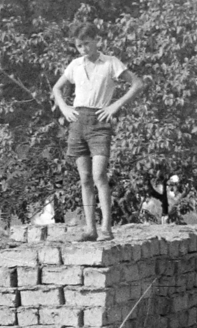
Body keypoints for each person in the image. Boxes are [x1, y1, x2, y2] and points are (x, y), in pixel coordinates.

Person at [50, 22, 146, 241]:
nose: (83, 49)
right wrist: (64, 107)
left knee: (99, 175)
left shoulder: (110, 63)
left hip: (100, 122)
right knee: (84, 178)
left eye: (86, 44)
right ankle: (90, 229)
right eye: (79, 46)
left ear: (96, 41)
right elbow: (57, 88)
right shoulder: (75, 65)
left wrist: (115, 106)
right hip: (77, 122)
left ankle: (106, 229)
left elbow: (137, 84)